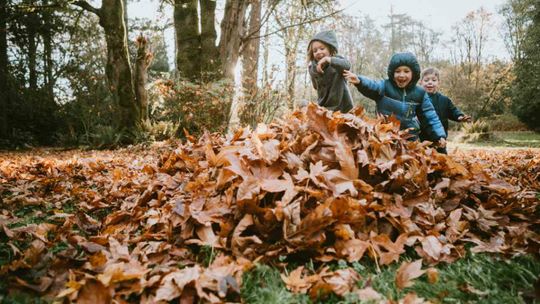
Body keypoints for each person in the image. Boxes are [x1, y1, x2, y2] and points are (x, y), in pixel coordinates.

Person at [343, 52, 446, 146]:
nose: (401, 75)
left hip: (409, 138)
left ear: (413, 73)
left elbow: (430, 115)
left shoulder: (420, 93)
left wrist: (439, 135)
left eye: (406, 71)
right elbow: (372, 85)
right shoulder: (384, 86)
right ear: (392, 73)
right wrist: (360, 81)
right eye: (398, 71)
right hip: (385, 135)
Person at [419, 67, 471, 153]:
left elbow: (453, 110)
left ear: (438, 83)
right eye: (426, 80)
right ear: (420, 82)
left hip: (440, 139)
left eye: (434, 80)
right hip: (422, 138)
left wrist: (459, 116)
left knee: (442, 160)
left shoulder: (444, 100)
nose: (430, 82)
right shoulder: (417, 99)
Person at [307, 30, 353, 113]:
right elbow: (315, 86)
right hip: (324, 108)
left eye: (322, 48)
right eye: (315, 51)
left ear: (330, 48)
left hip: (342, 108)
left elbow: (347, 65)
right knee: (304, 105)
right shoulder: (312, 68)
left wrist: (328, 60)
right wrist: (315, 73)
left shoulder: (336, 61)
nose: (318, 52)